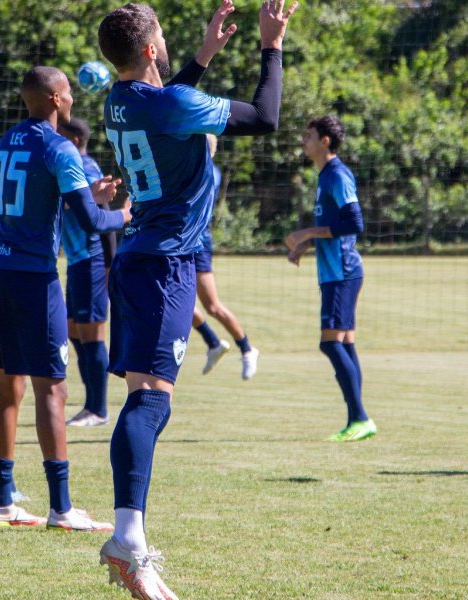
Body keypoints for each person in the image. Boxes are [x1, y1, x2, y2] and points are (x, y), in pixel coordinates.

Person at [96, 1, 294, 596]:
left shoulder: (118, 99)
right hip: (166, 265)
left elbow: (168, 100)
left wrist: (203, 57)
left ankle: (128, 535)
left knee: (142, 397)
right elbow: (265, 118)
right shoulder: (173, 104)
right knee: (153, 403)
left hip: (133, 259)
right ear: (152, 50)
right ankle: (127, 538)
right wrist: (271, 46)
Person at [0, 67, 129, 531]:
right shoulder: (62, 148)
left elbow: (38, 199)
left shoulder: (8, 141)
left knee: (10, 385)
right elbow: (90, 225)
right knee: (54, 389)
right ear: (58, 98)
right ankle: (61, 508)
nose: (73, 101)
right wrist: (121, 212)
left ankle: (3, 502)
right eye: (69, 94)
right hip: (33, 279)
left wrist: (88, 196)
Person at [285, 116, 374, 443]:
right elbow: (334, 229)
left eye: (308, 135)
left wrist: (307, 231)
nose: (303, 141)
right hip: (337, 272)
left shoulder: (336, 175)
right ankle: (357, 420)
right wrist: (306, 246)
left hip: (343, 273)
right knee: (345, 343)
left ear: (325, 141)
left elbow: (354, 223)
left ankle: (360, 416)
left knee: (330, 343)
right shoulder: (325, 176)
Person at [58, 118, 116, 427]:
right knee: (73, 332)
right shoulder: (68, 164)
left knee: (92, 334)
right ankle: (90, 404)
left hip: (93, 259)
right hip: (78, 260)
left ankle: (99, 409)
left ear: (75, 137)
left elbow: (103, 214)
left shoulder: (86, 166)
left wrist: (110, 265)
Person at [192, 134, 259, 379]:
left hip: (197, 244)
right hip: (182, 242)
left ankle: (247, 348)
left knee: (212, 305)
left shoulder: (208, 172)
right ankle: (212, 342)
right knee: (176, 300)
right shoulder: (201, 168)